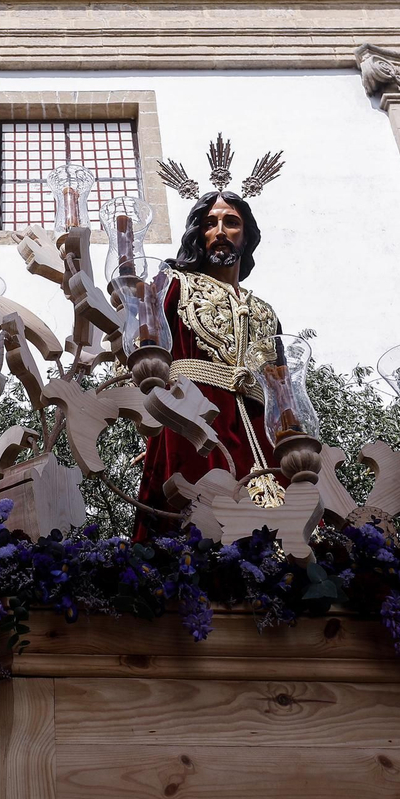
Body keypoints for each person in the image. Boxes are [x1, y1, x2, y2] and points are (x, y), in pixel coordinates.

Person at [134, 185, 288, 536]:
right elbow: (147, 350)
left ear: (246, 236)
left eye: (231, 223)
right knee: (197, 521)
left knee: (285, 525)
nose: (220, 231)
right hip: (194, 421)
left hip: (260, 430)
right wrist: (150, 419)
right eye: (209, 223)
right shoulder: (173, 283)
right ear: (198, 234)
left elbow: (282, 390)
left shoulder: (266, 312)